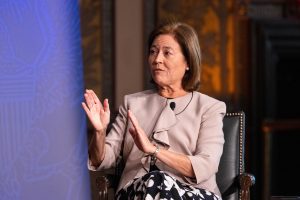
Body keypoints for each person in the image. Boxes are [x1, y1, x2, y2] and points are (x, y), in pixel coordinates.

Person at [82, 21, 226, 200]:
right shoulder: (132, 103)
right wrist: (100, 131)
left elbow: (206, 165)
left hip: (192, 194)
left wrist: (154, 151)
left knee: (157, 181)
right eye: (153, 51)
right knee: (153, 182)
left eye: (167, 53)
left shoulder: (209, 107)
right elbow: (101, 160)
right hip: (137, 192)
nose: (157, 59)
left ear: (188, 61)